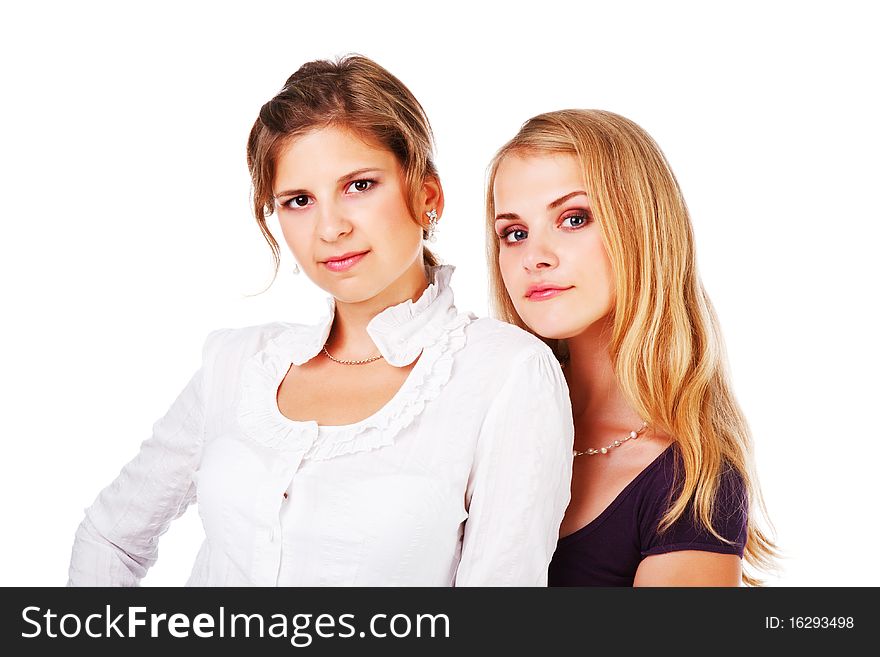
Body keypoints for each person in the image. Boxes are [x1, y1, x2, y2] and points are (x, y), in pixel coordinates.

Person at [67, 56, 573, 586]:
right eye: (299, 200)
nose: (330, 227)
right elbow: (110, 537)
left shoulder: (505, 374)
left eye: (359, 185)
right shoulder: (238, 364)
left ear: (427, 196)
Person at [485, 109, 777, 586]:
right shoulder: (483, 415)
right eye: (514, 233)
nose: (534, 257)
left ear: (641, 228)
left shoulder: (690, 486)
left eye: (573, 218)